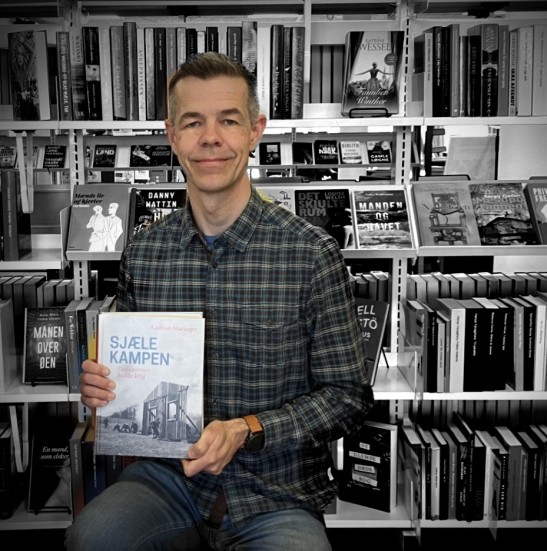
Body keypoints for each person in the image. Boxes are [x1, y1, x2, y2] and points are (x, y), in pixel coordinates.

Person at [66, 51, 373, 551]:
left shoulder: (312, 254)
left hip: (277, 491)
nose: (210, 137)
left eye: (228, 120)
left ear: (255, 132)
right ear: (172, 136)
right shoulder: (144, 252)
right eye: (193, 122)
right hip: (168, 481)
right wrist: (105, 388)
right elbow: (128, 382)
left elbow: (348, 399)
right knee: (92, 538)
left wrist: (248, 429)